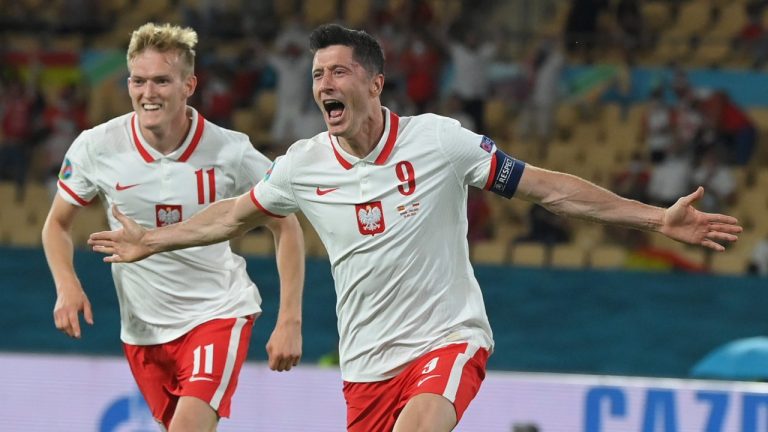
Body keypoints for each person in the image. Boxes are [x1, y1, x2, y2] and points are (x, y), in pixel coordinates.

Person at [88, 24, 743, 432]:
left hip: (447, 339)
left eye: (338, 71)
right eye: (317, 75)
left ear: (376, 82)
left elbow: (549, 189)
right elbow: (230, 216)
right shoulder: (302, 166)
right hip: (367, 366)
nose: (324, 85)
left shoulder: (439, 142)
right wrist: (150, 240)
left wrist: (655, 216)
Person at [42, 23, 305, 432]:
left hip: (217, 313)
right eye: (139, 81)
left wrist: (289, 318)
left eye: (162, 81)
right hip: (143, 332)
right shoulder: (97, 146)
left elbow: (285, 225)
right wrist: (67, 284)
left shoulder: (231, 151)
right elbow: (56, 225)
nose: (149, 93)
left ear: (189, 85)